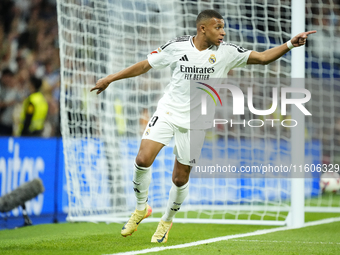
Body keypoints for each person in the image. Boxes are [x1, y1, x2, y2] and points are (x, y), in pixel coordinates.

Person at [90, 9, 316, 243]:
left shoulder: (227, 52)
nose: (223, 32)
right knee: (142, 159)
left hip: (196, 122)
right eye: (218, 27)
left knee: (179, 178)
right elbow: (145, 65)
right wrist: (110, 78)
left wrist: (290, 43)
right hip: (168, 111)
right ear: (202, 28)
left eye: (223, 27)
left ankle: (166, 220)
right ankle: (140, 208)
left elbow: (262, 57)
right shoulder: (177, 47)